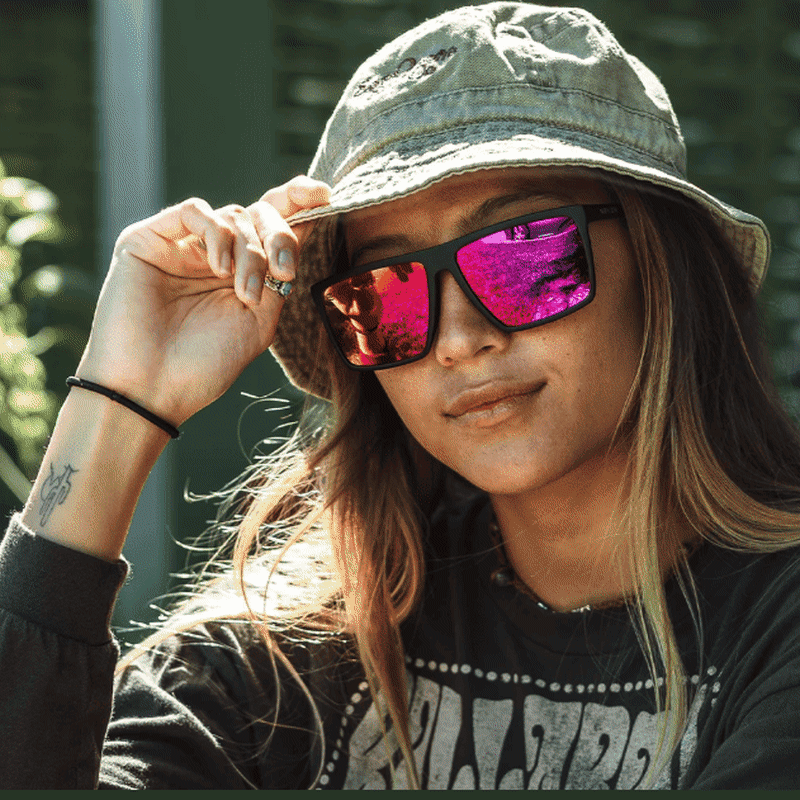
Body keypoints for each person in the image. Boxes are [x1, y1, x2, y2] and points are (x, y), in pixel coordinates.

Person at [1, 2, 799, 790]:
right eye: (385, 291)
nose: (458, 338)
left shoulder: (777, 628)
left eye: (523, 251)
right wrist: (120, 402)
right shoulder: (292, 658)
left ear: (663, 269)